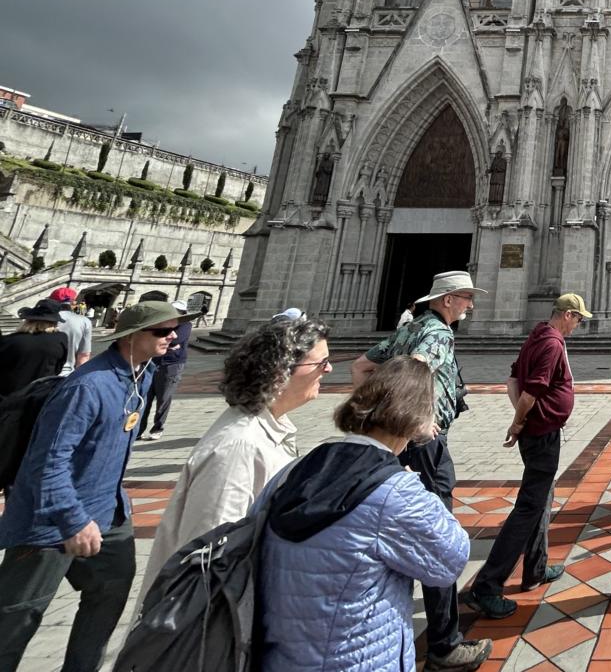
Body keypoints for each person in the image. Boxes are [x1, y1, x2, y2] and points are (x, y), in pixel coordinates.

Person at [0, 299, 194, 672]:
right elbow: (47, 462)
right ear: (132, 336)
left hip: (109, 512)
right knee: (16, 618)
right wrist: (72, 520)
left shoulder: (144, 374)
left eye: (174, 330)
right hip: (51, 521)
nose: (173, 337)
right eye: (162, 331)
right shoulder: (86, 387)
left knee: (111, 592)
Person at [257, 358, 483, 672]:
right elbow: (450, 561)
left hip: (280, 653)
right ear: (418, 417)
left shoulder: (294, 469)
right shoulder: (396, 492)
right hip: (357, 656)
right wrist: (417, 489)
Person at [351, 271, 489, 672]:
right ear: (447, 300)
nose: (470, 305)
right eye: (465, 297)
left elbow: (361, 366)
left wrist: (373, 421)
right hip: (425, 445)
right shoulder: (438, 335)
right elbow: (414, 369)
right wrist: (416, 423)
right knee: (435, 534)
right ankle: (445, 643)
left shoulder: (410, 328)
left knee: (396, 522)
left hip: (395, 443)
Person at [137, 316, 331, 600]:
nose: (328, 369)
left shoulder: (271, 427)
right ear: (280, 372)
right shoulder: (238, 447)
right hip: (218, 623)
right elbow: (209, 556)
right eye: (319, 363)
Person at [465, 293, 590, 619]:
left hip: (540, 431)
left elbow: (512, 379)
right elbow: (531, 390)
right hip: (541, 435)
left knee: (543, 498)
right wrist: (520, 421)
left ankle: (535, 568)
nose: (578, 325)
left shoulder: (536, 336)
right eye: (578, 319)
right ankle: (487, 585)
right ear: (566, 315)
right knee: (528, 508)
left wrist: (523, 417)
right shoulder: (551, 343)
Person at [138, 300, 194, 441]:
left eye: (177, 311)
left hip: (172, 364)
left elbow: (176, 340)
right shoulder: (163, 322)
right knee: (145, 396)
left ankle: (158, 427)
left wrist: (163, 343)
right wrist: (163, 344)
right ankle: (138, 430)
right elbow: (152, 338)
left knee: (163, 397)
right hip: (153, 361)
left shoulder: (185, 325)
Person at [0, 304, 69, 397]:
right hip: (43, 393)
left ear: (28, 321)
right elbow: (59, 366)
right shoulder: (61, 338)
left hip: (10, 396)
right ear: (54, 323)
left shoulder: (11, 341)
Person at [50, 288, 92, 375]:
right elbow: (84, 356)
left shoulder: (39, 319)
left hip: (37, 375)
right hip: (66, 374)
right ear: (73, 303)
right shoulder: (84, 321)